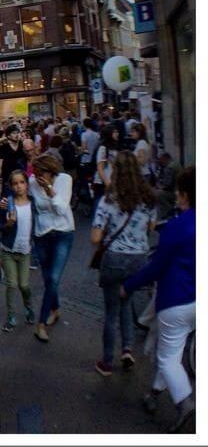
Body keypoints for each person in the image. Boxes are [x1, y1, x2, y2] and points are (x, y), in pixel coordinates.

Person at [122, 167, 195, 432]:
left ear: (185, 195)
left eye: (178, 192)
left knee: (168, 358)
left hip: (177, 299)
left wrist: (129, 285)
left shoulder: (176, 227)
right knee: (172, 351)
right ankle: (153, 393)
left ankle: (185, 403)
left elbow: (156, 268)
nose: (176, 195)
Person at [91, 151, 157, 377]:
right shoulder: (149, 199)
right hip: (139, 259)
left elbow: (96, 238)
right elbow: (151, 227)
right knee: (126, 302)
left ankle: (107, 361)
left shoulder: (109, 199)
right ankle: (127, 349)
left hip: (115, 257)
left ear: (115, 171)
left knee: (111, 312)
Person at [28, 154, 75, 343]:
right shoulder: (32, 183)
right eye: (37, 173)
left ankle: (41, 324)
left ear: (51, 171)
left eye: (43, 173)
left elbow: (62, 209)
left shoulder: (65, 180)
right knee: (48, 278)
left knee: (54, 278)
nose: (39, 177)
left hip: (63, 232)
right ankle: (55, 309)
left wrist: (49, 189)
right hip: (42, 235)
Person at [0, 171, 35, 332]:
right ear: (11, 186)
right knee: (11, 284)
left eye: (22, 182)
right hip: (8, 251)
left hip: (25, 251)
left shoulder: (33, 203)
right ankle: (11, 317)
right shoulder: (8, 203)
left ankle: (28, 308)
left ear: (27, 184)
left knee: (24, 285)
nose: (19, 186)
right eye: (15, 183)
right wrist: (9, 223)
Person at [0, 124, 26, 198]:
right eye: (14, 133)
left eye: (17, 133)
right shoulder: (4, 147)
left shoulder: (21, 145)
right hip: (8, 180)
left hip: (21, 178)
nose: (16, 135)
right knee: (8, 203)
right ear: (9, 135)